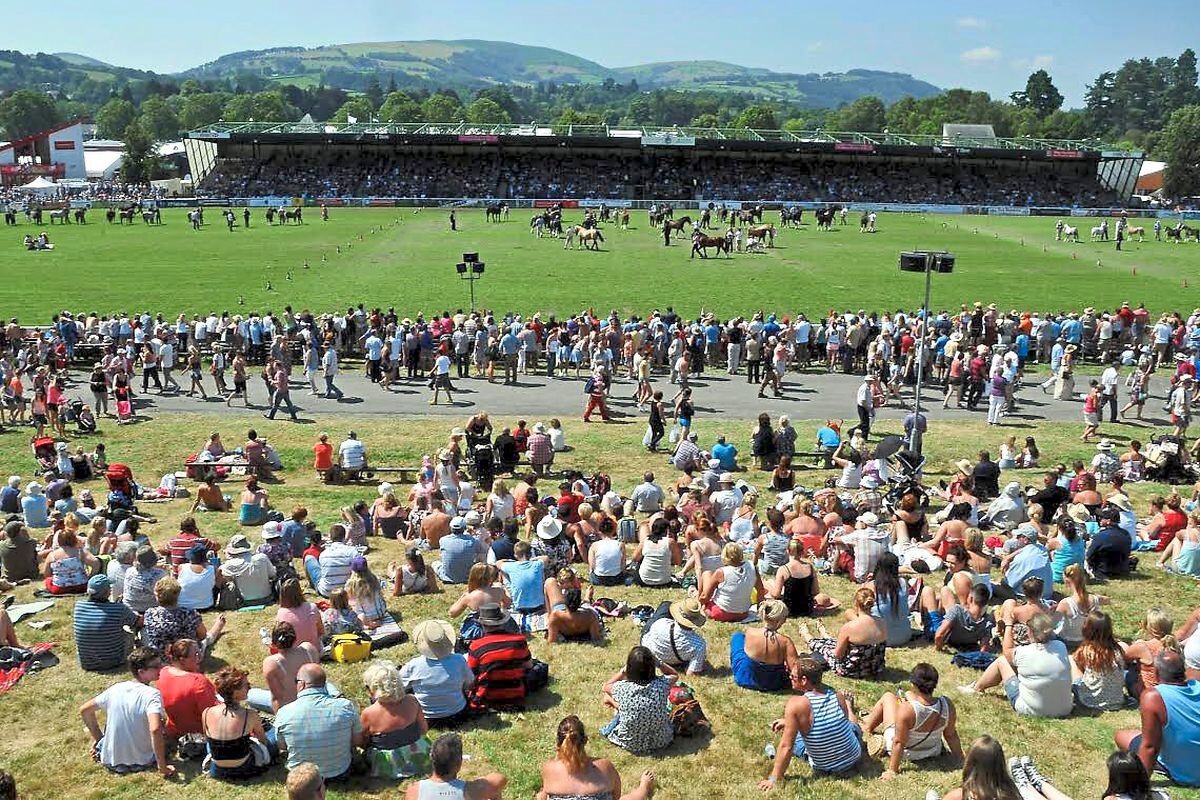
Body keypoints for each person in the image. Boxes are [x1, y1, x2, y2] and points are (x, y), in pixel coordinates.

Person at [760, 655, 863, 788]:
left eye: (792, 677)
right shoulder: (837, 696)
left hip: (825, 766)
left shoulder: (796, 704)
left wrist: (774, 778)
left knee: (795, 738)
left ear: (804, 680)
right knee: (852, 725)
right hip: (854, 757)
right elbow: (844, 724)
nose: (790, 678)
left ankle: (793, 723)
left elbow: (787, 746)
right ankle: (849, 704)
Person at [959, 610, 1072, 718]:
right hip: (1064, 709)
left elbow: (1007, 651)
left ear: (1030, 632)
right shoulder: (1060, 647)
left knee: (1002, 661)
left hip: (1032, 710)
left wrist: (1008, 625)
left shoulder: (1024, 652)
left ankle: (977, 688)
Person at [860, 663, 963, 780]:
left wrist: (892, 770)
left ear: (913, 684)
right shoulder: (947, 705)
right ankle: (868, 722)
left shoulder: (907, 709)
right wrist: (960, 758)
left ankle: (867, 726)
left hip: (905, 752)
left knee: (888, 697)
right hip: (932, 750)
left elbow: (899, 742)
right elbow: (951, 735)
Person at [1115, 649, 1200, 787]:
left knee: (1121, 736)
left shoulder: (1153, 697)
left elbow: (1150, 747)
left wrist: (1140, 785)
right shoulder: (1197, 685)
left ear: (1155, 673)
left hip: (1188, 775)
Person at [275, 664, 363, 779]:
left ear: (301, 684)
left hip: (301, 778)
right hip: (339, 772)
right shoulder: (346, 706)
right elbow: (358, 741)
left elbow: (282, 746)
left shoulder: (284, 712)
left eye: (296, 681)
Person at [360, 659, 431, 778]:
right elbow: (424, 729)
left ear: (373, 689)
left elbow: (362, 742)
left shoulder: (368, 713)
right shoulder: (412, 700)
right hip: (417, 753)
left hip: (388, 763)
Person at [202, 665, 275, 779]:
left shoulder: (207, 712)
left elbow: (208, 738)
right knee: (273, 735)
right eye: (246, 686)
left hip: (218, 769)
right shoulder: (249, 715)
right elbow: (263, 741)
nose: (250, 688)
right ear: (235, 693)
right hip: (244, 768)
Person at [798, 588, 888, 678]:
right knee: (834, 643)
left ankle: (807, 635)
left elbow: (837, 655)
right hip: (875, 668)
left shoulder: (850, 627)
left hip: (852, 670)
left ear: (856, 603)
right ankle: (824, 633)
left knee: (823, 647)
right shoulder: (882, 622)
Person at [601, 645, 675, 754]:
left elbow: (605, 686)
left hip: (630, 742)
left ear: (630, 668)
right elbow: (674, 674)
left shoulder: (622, 688)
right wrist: (659, 662)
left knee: (611, 700)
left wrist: (623, 671)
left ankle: (614, 708)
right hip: (661, 740)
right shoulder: (662, 685)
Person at [400, 619, 474, 726]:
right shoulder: (459, 660)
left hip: (426, 717)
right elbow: (470, 683)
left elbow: (400, 687)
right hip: (458, 713)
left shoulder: (414, 665)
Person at [467, 603, 534, 710]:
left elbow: (470, 677)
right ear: (502, 622)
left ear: (483, 625)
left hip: (487, 696)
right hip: (516, 694)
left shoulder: (476, 646)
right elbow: (529, 665)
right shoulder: (519, 641)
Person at [404, 733, 507, 800]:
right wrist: (480, 780)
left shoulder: (414, 790)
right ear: (459, 763)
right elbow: (500, 778)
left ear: (432, 759)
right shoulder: (471, 790)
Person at [141, 576, 227, 657]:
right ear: (178, 594)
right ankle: (218, 625)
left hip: (158, 658)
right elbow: (202, 635)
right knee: (206, 639)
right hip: (186, 657)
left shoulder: (149, 613)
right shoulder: (189, 614)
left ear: (157, 595)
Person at [157, 639, 219, 739]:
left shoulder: (163, 672)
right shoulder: (198, 682)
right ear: (182, 660)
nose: (200, 658)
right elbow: (212, 713)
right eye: (196, 655)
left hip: (175, 728)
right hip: (200, 730)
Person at [731, 600, 799, 692]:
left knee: (738, 637)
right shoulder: (785, 642)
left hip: (746, 678)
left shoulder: (750, 632)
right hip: (774, 683)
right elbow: (795, 669)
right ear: (781, 620)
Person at [254, 621, 321, 713]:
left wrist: (282, 721)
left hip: (292, 710)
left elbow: (277, 698)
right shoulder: (309, 649)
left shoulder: (271, 663)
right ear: (294, 638)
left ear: (274, 643)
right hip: (316, 701)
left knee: (251, 694)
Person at [74, 574, 137, 671]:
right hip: (113, 662)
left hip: (87, 663)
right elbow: (137, 622)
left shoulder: (79, 607)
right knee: (129, 632)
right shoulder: (119, 609)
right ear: (107, 592)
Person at [1071, 611, 1127, 712]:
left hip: (1089, 701)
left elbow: (1080, 667)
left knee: (1072, 660)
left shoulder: (1086, 650)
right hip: (1116, 701)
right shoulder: (1117, 649)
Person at [641, 597, 709, 675]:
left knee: (666, 605)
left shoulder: (660, 623)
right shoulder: (699, 644)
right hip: (676, 662)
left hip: (651, 653)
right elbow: (691, 673)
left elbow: (648, 635)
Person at [698, 542, 762, 622]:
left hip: (720, 613)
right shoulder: (752, 567)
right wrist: (760, 609)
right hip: (743, 613)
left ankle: (697, 598)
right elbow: (760, 591)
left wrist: (699, 602)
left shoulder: (721, 572)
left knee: (706, 573)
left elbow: (706, 597)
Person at [220, 534, 276, 606]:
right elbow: (273, 574)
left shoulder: (230, 565)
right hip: (267, 598)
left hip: (245, 601)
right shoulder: (262, 558)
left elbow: (220, 576)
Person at [313, 524, 357, 597]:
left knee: (310, 560)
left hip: (327, 591)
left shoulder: (323, 554)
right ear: (344, 536)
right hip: (348, 591)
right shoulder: (352, 551)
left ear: (330, 537)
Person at [0, 519, 38, 584]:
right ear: (20, 531)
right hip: (30, 575)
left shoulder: (1, 545)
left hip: (9, 577)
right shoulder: (30, 543)